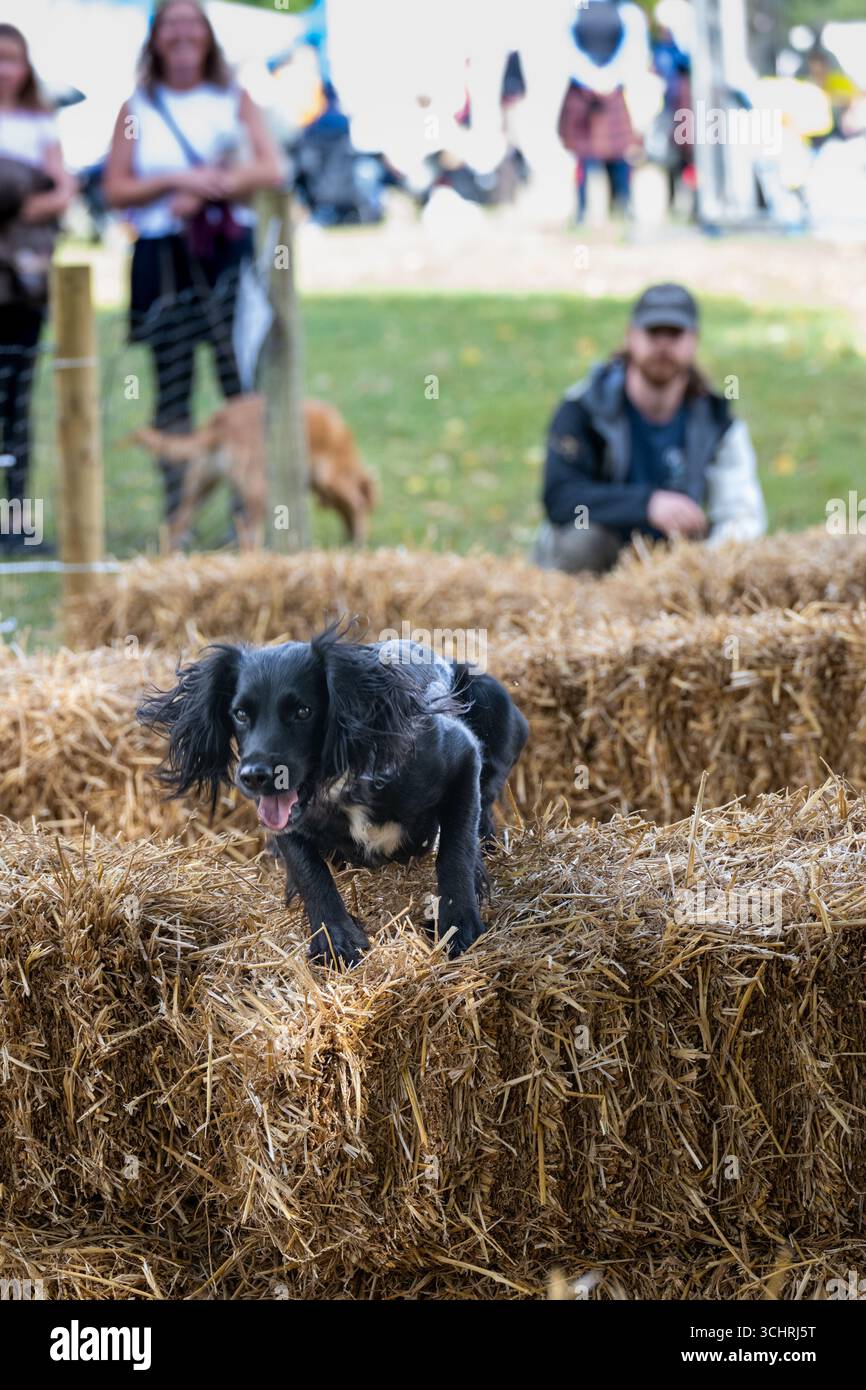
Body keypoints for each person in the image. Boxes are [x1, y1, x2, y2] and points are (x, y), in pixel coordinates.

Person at [103, 0, 283, 526]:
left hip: (224, 253)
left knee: (240, 383)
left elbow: (270, 167)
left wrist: (212, 188)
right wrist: (174, 182)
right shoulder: (138, 107)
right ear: (156, 38)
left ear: (207, 36)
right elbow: (116, 187)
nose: (182, 35)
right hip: (163, 257)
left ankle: (245, 512)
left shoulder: (233, 99)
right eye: (171, 25)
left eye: (192, 24)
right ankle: (176, 515)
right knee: (172, 384)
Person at [532, 284, 767, 574]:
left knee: (735, 556)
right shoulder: (583, 407)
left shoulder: (718, 421)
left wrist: (708, 564)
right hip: (599, 559)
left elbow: (741, 516)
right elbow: (560, 497)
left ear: (694, 340)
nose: (663, 344)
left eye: (675, 333)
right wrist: (647, 504)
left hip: (675, 563)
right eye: (653, 332)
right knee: (583, 539)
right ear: (631, 336)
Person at [0, 22, 74, 551]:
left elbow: (63, 189)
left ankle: (16, 522)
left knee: (16, 402)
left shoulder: (37, 121)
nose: (6, 69)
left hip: (21, 282)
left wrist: (23, 206)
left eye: (13, 59)